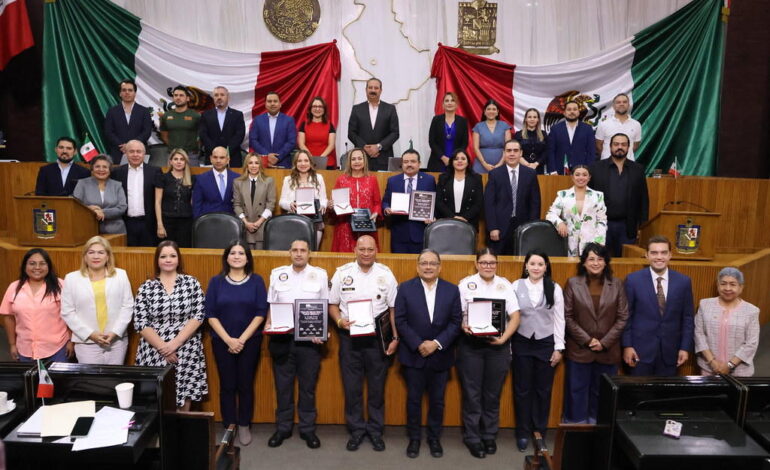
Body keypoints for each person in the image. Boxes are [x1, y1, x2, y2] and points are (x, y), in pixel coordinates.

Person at [328, 235, 399, 452]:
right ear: (354, 250)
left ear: (376, 250)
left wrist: (395, 337)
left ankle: (376, 431)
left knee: (377, 388)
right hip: (350, 338)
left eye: (370, 249)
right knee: (352, 388)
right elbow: (332, 304)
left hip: (378, 339)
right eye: (362, 249)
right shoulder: (342, 273)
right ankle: (357, 430)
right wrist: (340, 321)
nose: (366, 253)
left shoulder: (386, 274)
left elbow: (393, 309)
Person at [395, 249, 462, 459]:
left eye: (433, 263)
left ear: (439, 267)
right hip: (414, 355)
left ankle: (434, 438)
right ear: (417, 266)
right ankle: (414, 439)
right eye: (424, 263)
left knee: (437, 401)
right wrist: (418, 344)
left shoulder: (452, 290)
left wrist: (436, 343)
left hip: (440, 355)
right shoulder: (405, 289)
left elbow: (456, 321)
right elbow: (400, 320)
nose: (428, 267)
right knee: (414, 399)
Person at [264, 240, 329, 449]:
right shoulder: (277, 273)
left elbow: (325, 306)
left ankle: (307, 429)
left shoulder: (320, 274)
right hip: (282, 339)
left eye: (303, 250)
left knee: (308, 388)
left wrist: (323, 330)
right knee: (283, 387)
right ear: (289, 253)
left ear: (309, 253)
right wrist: (268, 324)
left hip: (309, 342)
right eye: (295, 250)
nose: (299, 254)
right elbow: (271, 306)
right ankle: (283, 428)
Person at [456, 248, 520, 459]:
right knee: (472, 394)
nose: (488, 266)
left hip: (497, 347)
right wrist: (463, 326)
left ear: (497, 264)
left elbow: (516, 317)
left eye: (492, 262)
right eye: (483, 262)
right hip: (471, 347)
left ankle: (489, 435)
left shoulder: (505, 285)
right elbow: (456, 315)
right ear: (476, 263)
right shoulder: (465, 284)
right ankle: (473, 438)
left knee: (492, 394)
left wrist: (504, 339)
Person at [205, 241, 267, 446]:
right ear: (226, 257)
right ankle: (229, 425)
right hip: (222, 341)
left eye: (241, 253)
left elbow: (261, 313)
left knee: (245, 384)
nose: (237, 256)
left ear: (248, 258)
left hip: (250, 342)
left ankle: (244, 424)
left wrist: (241, 339)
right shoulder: (216, 282)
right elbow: (210, 314)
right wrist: (228, 339)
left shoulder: (257, 281)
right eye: (233, 253)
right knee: (227, 385)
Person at [134, 241, 207, 410]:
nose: (168, 260)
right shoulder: (147, 287)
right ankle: (161, 435)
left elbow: (198, 315)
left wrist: (175, 344)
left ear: (178, 259)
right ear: (157, 260)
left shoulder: (191, 283)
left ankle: (182, 433)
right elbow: (140, 321)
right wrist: (162, 348)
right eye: (163, 256)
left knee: (185, 394)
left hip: (186, 346)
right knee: (157, 399)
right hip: (154, 349)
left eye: (172, 256)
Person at [563, 243, 628, 424]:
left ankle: (598, 432)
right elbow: (567, 317)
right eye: (591, 259)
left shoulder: (617, 284)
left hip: (608, 351)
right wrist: (587, 340)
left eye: (600, 259)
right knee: (576, 393)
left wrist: (604, 342)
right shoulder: (573, 284)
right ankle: (575, 431)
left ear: (606, 262)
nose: (596, 263)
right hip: (579, 351)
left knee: (602, 395)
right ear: (583, 262)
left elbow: (623, 317)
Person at [511, 251, 565, 452]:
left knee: (543, 390)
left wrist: (559, 347)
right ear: (526, 266)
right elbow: (510, 317)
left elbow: (560, 318)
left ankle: (539, 431)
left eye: (540, 264)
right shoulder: (516, 286)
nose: (536, 267)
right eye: (532, 263)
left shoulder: (555, 287)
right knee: (522, 390)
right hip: (521, 342)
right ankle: (522, 432)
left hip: (545, 343)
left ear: (546, 267)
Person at [622, 236, 694, 376]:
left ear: (670, 255)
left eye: (663, 252)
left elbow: (688, 318)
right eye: (654, 253)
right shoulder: (633, 280)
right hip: (639, 351)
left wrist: (685, 347)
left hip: (671, 352)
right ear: (647, 255)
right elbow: (626, 316)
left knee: (663, 396)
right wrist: (627, 345)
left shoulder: (683, 282)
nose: (659, 257)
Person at [60, 236, 134, 365]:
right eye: (91, 252)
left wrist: (115, 332)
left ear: (107, 256)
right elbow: (67, 312)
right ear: (85, 256)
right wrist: (90, 334)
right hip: (87, 342)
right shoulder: (71, 278)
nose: (96, 256)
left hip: (115, 341)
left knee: (114, 381)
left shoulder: (121, 275)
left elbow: (127, 306)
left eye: (101, 252)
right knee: (91, 382)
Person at [1, 248, 73, 362]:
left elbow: (69, 315)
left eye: (42, 263)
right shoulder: (14, 287)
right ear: (25, 266)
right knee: (30, 380)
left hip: (57, 348)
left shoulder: (61, 285)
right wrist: (12, 344)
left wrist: (70, 341)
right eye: (32, 263)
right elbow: (9, 318)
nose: (37, 267)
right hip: (25, 349)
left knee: (58, 380)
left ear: (48, 266)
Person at [589, 133, 649, 258]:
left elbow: (643, 199)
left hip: (627, 226)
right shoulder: (596, 168)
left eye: (623, 144)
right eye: (616, 144)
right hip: (602, 224)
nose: (619, 147)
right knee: (600, 260)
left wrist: (642, 227)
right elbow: (589, 197)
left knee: (625, 261)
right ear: (610, 147)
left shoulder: (637, 169)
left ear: (629, 147)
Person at [694, 267, 759, 377]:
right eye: (723, 284)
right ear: (718, 285)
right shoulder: (704, 305)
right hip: (709, 369)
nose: (727, 288)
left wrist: (729, 365)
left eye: (733, 284)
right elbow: (699, 335)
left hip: (740, 372)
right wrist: (712, 362)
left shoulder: (752, 311)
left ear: (741, 287)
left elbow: (751, 343)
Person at [483, 140, 541, 255]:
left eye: (515, 150)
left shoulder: (530, 174)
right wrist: (493, 227)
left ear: (521, 153)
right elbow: (489, 203)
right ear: (504, 153)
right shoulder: (495, 174)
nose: (512, 154)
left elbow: (535, 203)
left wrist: (532, 228)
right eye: (509, 151)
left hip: (523, 227)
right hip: (499, 228)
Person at [381, 149, 437, 254]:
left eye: (413, 161)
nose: (409, 164)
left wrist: (432, 216)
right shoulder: (393, 181)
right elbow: (385, 201)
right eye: (406, 162)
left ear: (419, 164)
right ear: (401, 164)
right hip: (399, 233)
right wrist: (386, 209)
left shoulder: (429, 180)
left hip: (421, 232)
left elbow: (434, 203)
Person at [545, 164, 607, 257]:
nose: (581, 177)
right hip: (569, 243)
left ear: (589, 177)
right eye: (577, 174)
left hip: (591, 244)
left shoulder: (598, 196)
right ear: (572, 177)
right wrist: (560, 223)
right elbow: (550, 214)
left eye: (584, 175)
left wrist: (598, 243)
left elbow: (602, 220)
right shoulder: (563, 195)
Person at [112, 140, 161, 246]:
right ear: (126, 153)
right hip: (125, 223)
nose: (135, 155)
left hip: (148, 223)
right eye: (131, 151)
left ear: (144, 154)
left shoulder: (155, 172)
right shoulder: (117, 172)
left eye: (139, 151)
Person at [330, 148, 381, 252]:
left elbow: (377, 203)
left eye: (359, 158)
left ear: (364, 160)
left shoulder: (372, 179)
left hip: (367, 225)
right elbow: (335, 202)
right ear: (349, 162)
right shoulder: (341, 180)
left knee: (366, 256)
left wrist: (376, 212)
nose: (357, 161)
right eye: (353, 159)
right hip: (345, 226)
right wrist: (331, 206)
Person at [278, 149, 328, 249]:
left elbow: (324, 199)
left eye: (306, 160)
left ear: (310, 162)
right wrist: (289, 205)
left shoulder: (319, 178)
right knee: (296, 251)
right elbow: (282, 201)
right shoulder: (288, 179)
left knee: (313, 251)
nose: (303, 164)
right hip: (294, 221)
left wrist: (323, 205)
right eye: (299, 161)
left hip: (315, 222)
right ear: (295, 163)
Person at [348, 78, 400, 171]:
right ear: (366, 90)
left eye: (376, 88)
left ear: (380, 90)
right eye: (370, 87)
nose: (373, 90)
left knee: (383, 185)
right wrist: (364, 147)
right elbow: (351, 133)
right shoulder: (357, 109)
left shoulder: (390, 109)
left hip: (383, 157)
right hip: (361, 159)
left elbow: (395, 133)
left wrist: (378, 146)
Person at [72, 154, 127, 234]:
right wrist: (90, 209)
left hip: (115, 231)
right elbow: (75, 206)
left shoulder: (117, 185)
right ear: (92, 168)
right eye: (97, 166)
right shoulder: (82, 183)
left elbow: (122, 207)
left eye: (105, 167)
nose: (101, 170)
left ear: (110, 169)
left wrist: (102, 212)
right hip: (88, 230)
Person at [103, 79, 153, 164]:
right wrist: (123, 146)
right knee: (119, 177)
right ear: (120, 93)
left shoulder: (144, 111)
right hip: (119, 152)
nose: (127, 92)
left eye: (130, 90)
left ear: (135, 93)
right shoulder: (112, 111)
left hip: (139, 152)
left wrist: (131, 146)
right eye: (124, 90)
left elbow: (147, 131)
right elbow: (108, 132)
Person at [233, 152, 276, 250]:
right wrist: (246, 222)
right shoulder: (238, 182)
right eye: (250, 163)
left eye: (256, 163)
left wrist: (259, 222)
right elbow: (237, 205)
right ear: (246, 165)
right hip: (245, 225)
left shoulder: (269, 181)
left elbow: (271, 204)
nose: (253, 166)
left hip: (262, 225)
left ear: (260, 165)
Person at [154, 149, 195, 248]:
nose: (179, 162)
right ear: (171, 161)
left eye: (182, 159)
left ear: (186, 162)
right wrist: (160, 225)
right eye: (176, 159)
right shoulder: (162, 178)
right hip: (167, 221)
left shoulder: (192, 179)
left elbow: (193, 202)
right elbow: (157, 202)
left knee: (185, 251)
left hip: (186, 222)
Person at [434, 149, 484, 230]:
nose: (459, 161)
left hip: (468, 222)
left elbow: (478, 203)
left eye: (463, 159)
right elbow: (439, 201)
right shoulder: (443, 178)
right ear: (452, 162)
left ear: (468, 162)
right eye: (456, 159)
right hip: (446, 221)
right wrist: (453, 217)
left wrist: (464, 218)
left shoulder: (476, 179)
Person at [199, 86, 245, 167]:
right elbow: (203, 135)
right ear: (213, 98)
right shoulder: (205, 115)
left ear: (228, 97)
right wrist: (216, 151)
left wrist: (226, 151)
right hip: (212, 157)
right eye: (216, 95)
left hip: (232, 157)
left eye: (222, 95)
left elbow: (239, 135)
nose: (219, 97)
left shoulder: (237, 115)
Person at [249, 91, 297, 169]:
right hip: (262, 163)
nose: (272, 104)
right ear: (265, 104)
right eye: (269, 101)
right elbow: (253, 140)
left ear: (280, 104)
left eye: (275, 101)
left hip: (283, 162)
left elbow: (292, 142)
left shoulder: (289, 120)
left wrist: (278, 157)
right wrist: (267, 155)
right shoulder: (257, 120)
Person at [546, 101, 596, 175]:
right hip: (559, 172)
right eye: (569, 109)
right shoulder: (555, 129)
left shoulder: (587, 129)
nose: (572, 112)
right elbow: (550, 151)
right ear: (564, 112)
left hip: (581, 173)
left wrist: (588, 170)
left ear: (579, 112)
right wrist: (553, 170)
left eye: (575, 109)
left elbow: (591, 152)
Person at [192, 146, 239, 219]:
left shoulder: (237, 178)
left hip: (231, 222)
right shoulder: (201, 179)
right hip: (208, 222)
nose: (218, 161)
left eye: (222, 157)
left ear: (228, 160)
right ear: (211, 159)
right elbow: (197, 205)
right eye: (215, 157)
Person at [160, 85, 201, 166]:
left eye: (181, 95)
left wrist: (193, 148)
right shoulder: (166, 116)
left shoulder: (196, 116)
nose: (178, 98)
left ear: (188, 98)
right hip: (173, 155)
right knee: (171, 178)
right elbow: (164, 136)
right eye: (175, 95)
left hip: (191, 155)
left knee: (193, 178)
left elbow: (201, 136)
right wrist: (175, 149)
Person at [427, 92, 469, 172]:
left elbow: (464, 143)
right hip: (437, 161)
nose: (449, 103)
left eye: (452, 100)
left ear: (456, 104)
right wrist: (443, 157)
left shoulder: (462, 121)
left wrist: (455, 158)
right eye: (447, 101)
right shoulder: (436, 120)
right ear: (443, 105)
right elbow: (432, 141)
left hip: (457, 162)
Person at [595, 93, 642, 161]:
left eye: (625, 102)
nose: (621, 104)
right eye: (618, 102)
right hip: (607, 165)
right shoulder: (603, 124)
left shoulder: (636, 124)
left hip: (628, 164)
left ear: (628, 105)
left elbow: (635, 146)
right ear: (613, 106)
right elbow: (599, 146)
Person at [472, 99, 511, 174]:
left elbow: (508, 147)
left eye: (494, 109)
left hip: (502, 164)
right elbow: (475, 148)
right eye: (488, 109)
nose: (491, 111)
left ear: (497, 112)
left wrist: (500, 164)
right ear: (484, 111)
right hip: (481, 165)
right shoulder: (478, 126)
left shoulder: (505, 126)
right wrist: (484, 164)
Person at [298, 96, 337, 169]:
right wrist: (310, 158)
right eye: (314, 106)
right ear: (310, 109)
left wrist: (320, 159)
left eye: (320, 107)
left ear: (324, 109)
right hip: (307, 162)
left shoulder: (330, 125)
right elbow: (301, 144)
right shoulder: (304, 124)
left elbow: (331, 145)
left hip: (327, 163)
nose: (317, 109)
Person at [514, 108, 548, 174]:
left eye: (535, 117)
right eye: (529, 117)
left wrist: (536, 163)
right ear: (526, 119)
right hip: (522, 167)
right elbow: (515, 151)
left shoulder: (544, 134)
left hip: (539, 168)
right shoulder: (518, 134)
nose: (532, 119)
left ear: (538, 119)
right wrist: (527, 164)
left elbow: (546, 151)